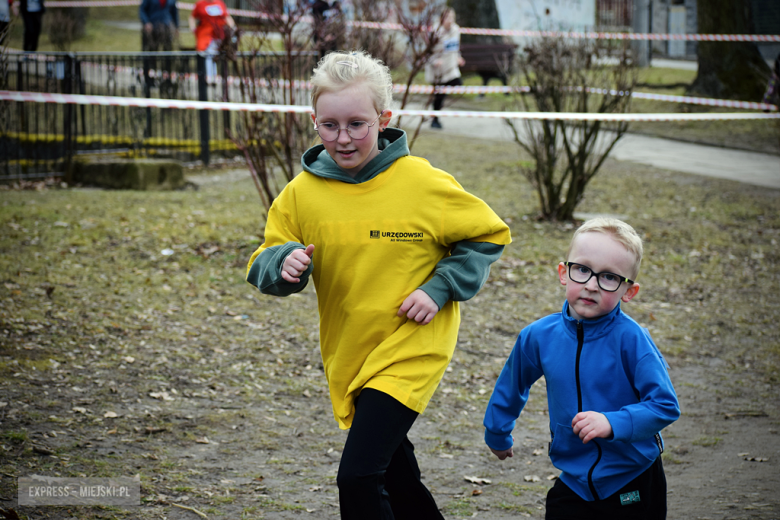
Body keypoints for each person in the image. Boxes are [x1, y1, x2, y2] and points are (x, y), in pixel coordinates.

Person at [246, 50, 512, 519]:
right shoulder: (300, 194)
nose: (343, 138)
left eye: (357, 124)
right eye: (330, 125)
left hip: (411, 347)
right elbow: (264, 260)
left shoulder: (422, 183)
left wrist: (439, 288)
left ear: (383, 119)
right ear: (314, 121)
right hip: (351, 352)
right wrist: (283, 264)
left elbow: (488, 234)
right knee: (396, 477)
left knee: (358, 477)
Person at [483, 217, 680, 519]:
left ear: (628, 291)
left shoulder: (632, 340)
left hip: (633, 476)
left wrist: (612, 422)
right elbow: (512, 384)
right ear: (564, 273)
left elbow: (665, 406)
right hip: (574, 480)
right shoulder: (539, 336)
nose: (591, 285)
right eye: (583, 270)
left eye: (609, 277)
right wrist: (497, 432)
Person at [425, 7, 465, 129]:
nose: (450, 20)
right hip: (438, 69)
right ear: (441, 18)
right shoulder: (435, 31)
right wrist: (434, 61)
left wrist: (459, 57)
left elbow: (455, 47)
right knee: (439, 97)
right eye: (447, 17)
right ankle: (435, 120)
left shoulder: (456, 30)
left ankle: (437, 116)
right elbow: (427, 51)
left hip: (451, 67)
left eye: (452, 17)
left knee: (458, 83)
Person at [188, 0, 235, 78]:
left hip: (219, 34)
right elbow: (192, 17)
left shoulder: (219, 3)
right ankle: (210, 76)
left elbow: (227, 17)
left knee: (216, 55)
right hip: (205, 34)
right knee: (208, 54)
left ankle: (214, 76)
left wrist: (233, 29)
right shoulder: (200, 4)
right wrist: (193, 29)